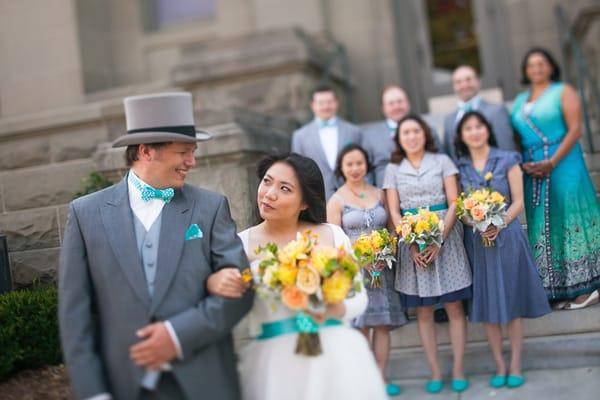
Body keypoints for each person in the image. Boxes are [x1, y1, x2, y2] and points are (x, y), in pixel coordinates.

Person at [58, 92, 253, 400]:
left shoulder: (210, 207)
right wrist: (94, 393)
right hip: (124, 387)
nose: (192, 161)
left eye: (193, 151)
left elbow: (243, 287)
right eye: (183, 152)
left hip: (205, 384)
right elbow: (74, 316)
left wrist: (176, 336)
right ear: (146, 152)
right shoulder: (86, 214)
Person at [206, 153, 387, 400]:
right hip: (275, 362)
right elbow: (230, 306)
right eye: (267, 181)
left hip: (336, 356)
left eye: (284, 188)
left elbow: (359, 296)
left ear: (304, 203)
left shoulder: (332, 235)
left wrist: (335, 310)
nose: (269, 193)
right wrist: (214, 283)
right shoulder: (240, 245)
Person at [455, 110, 551, 389]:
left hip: (507, 237)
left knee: (511, 304)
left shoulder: (508, 159)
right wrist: (477, 223)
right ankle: (499, 364)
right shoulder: (459, 168)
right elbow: (460, 209)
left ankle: (516, 364)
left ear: (487, 130)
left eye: (479, 126)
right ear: (461, 136)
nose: (474, 131)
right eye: (468, 128)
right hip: (479, 242)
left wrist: (498, 222)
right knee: (488, 305)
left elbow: (518, 201)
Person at [383, 114, 472, 394]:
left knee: (455, 307)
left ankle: (458, 368)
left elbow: (455, 201)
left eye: (416, 131)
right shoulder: (392, 168)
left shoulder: (442, 161)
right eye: (406, 132)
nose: (412, 136)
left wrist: (439, 241)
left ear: (425, 134)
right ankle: (434, 371)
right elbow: (393, 211)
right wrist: (409, 242)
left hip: (446, 237)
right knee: (423, 311)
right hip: (411, 241)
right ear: (399, 138)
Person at [511, 47, 600, 309]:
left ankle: (587, 286)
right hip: (533, 169)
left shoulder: (564, 91)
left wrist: (552, 162)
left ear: (551, 67)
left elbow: (575, 130)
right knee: (543, 223)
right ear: (525, 71)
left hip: (564, 162)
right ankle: (558, 288)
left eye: (541, 63)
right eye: (531, 64)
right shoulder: (519, 100)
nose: (536, 68)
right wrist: (522, 163)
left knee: (570, 216)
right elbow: (514, 135)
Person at [326, 144, 406, 396]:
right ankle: (364, 382)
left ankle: (381, 378)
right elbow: (334, 239)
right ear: (341, 168)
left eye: (359, 163)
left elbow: (393, 227)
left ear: (367, 165)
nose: (354, 168)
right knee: (360, 327)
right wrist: (361, 257)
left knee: (382, 325)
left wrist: (386, 250)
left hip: (383, 268)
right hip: (355, 272)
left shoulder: (379, 193)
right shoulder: (336, 200)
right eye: (349, 164)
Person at [362, 85, 442, 187]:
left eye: (400, 101)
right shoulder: (370, 137)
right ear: (383, 108)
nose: (396, 106)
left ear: (408, 103)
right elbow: (366, 172)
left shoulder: (428, 130)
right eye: (391, 103)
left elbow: (440, 159)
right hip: (386, 195)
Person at [292, 84, 362, 199]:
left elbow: (364, 163)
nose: (326, 106)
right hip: (318, 198)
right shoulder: (300, 136)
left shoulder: (354, 131)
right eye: (321, 103)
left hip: (353, 196)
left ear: (336, 103)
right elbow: (298, 171)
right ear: (313, 105)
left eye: (329, 102)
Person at [443, 65, 516, 161]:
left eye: (468, 80)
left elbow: (507, 150)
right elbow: (450, 156)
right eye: (458, 82)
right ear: (454, 86)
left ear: (478, 82)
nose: (464, 85)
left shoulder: (496, 112)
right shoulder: (449, 120)